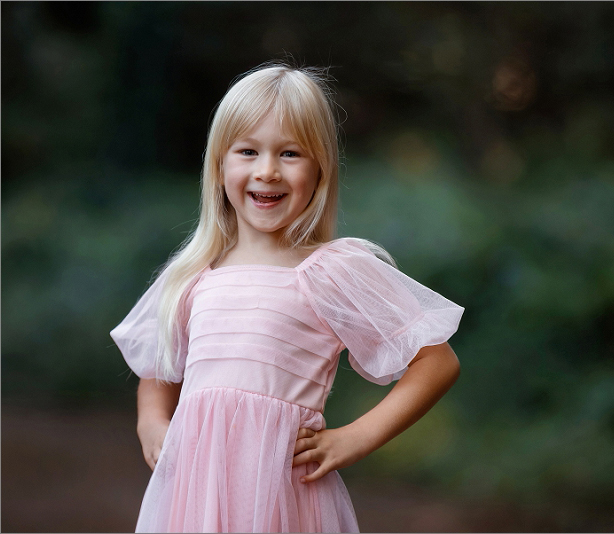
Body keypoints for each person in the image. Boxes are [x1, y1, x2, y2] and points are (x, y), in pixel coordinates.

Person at [110, 63, 464, 533]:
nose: (267, 171)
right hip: (193, 498)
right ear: (219, 166)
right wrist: (151, 421)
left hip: (284, 497)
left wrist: (354, 438)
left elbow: (437, 361)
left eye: (291, 153)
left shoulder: (331, 271)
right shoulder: (193, 276)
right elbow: (159, 365)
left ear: (320, 170)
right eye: (248, 151)